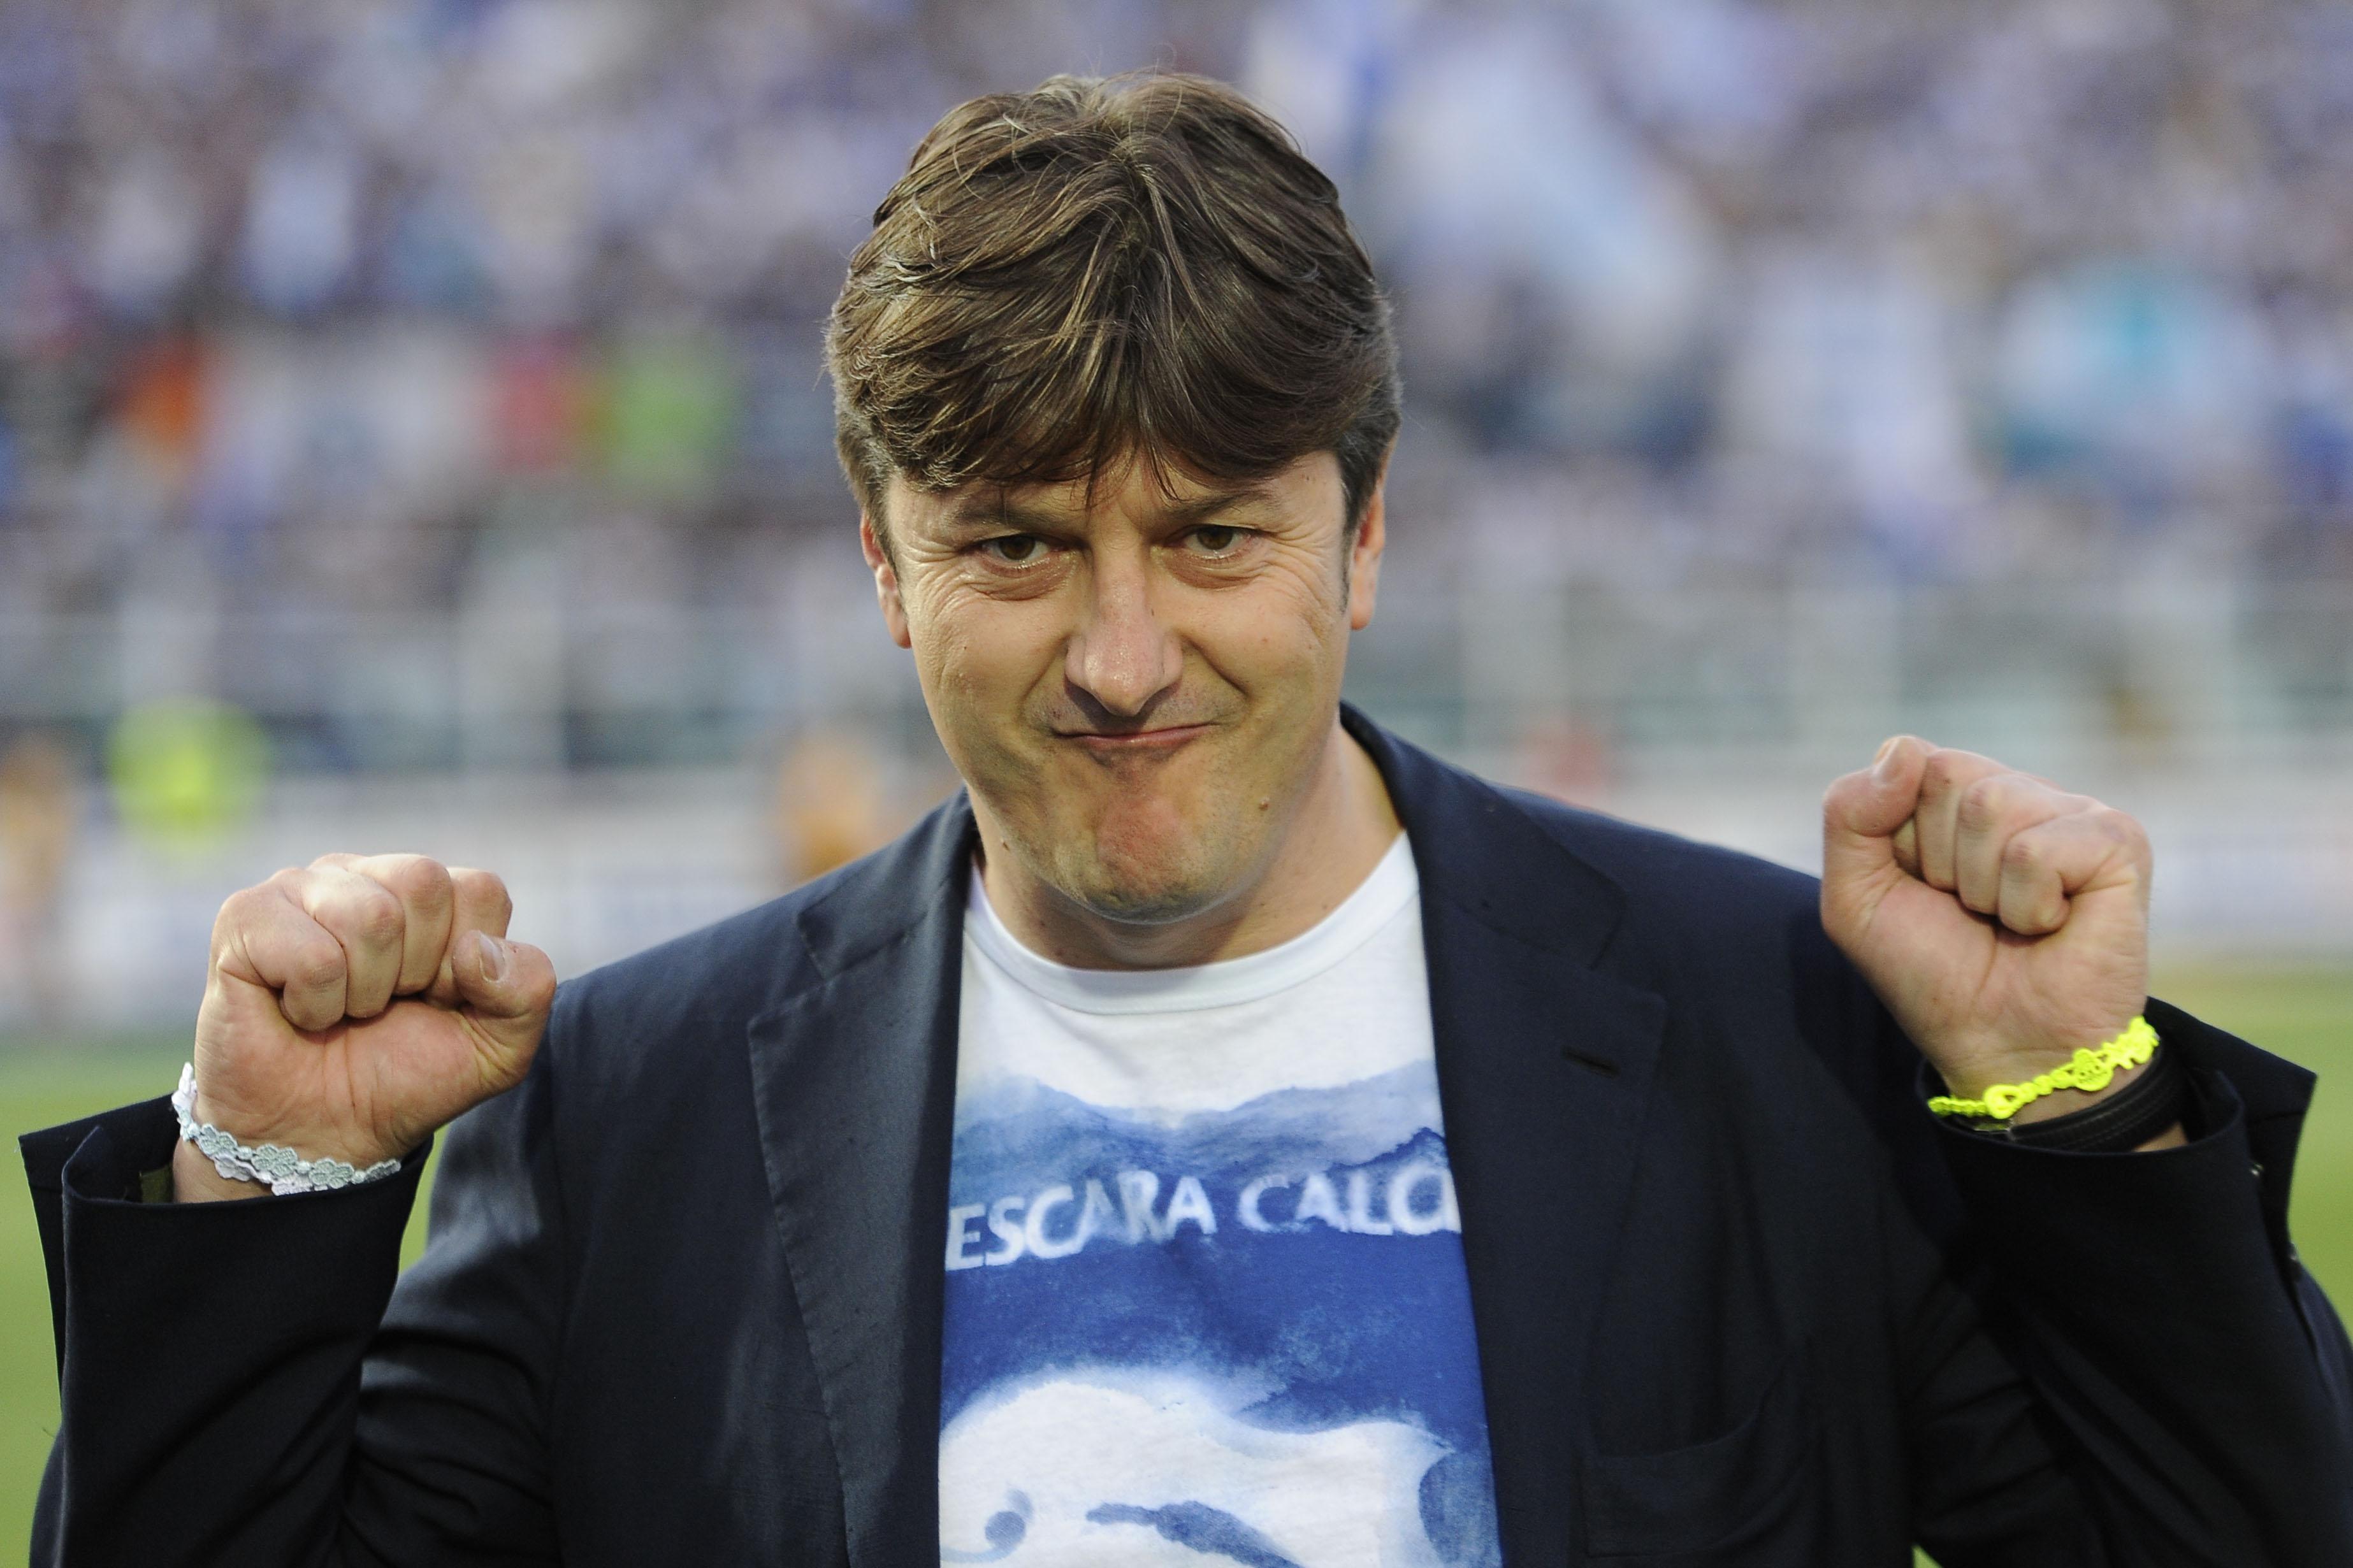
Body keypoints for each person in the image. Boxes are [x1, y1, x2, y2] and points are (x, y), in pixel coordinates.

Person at [21, 72, 2352, 1567]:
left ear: (1364, 536)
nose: (1122, 656)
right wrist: (267, 1179)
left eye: (1214, 537)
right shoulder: (634, 1105)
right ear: (881, 565)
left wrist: (2076, 1102)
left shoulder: (1766, 1026)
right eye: (1018, 548)